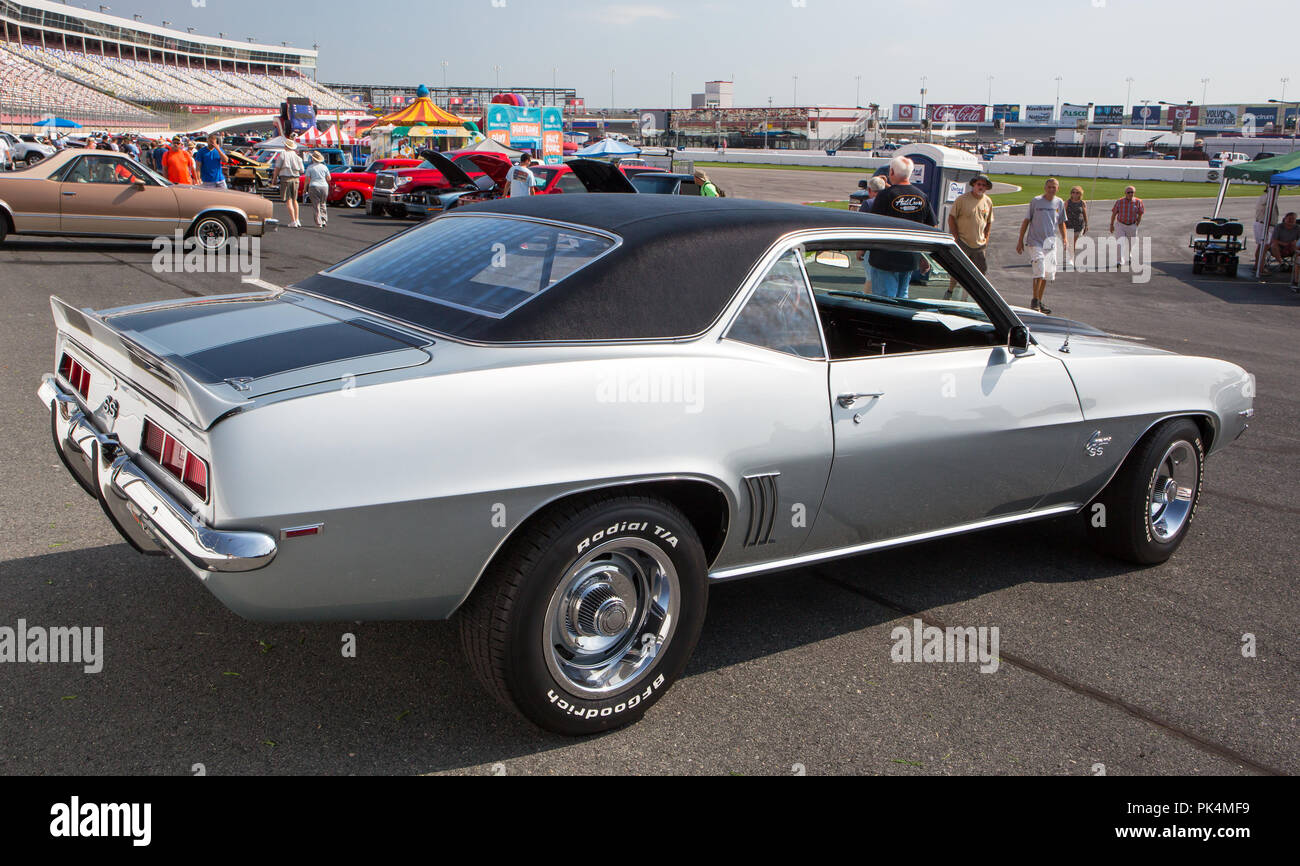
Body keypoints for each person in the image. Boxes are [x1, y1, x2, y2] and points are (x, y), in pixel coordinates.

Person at [866, 156, 937, 299]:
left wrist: (863, 249)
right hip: (910, 257)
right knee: (902, 299)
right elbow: (932, 227)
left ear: (891, 172)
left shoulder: (885, 195)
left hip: (885, 257)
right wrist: (923, 255)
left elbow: (873, 224)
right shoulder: (922, 196)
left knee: (884, 302)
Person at [1016, 177, 1067, 314]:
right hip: (1035, 241)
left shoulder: (1059, 202)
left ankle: (1039, 299)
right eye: (1049, 187)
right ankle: (1034, 300)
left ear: (1058, 189)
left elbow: (1061, 222)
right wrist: (1020, 240)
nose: (1051, 189)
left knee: (1047, 273)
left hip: (1050, 242)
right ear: (1045, 188)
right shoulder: (1036, 201)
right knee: (1039, 267)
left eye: (1054, 187)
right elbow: (1026, 220)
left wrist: (1065, 239)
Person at [947, 174, 995, 296]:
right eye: (979, 184)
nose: (981, 187)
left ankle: (969, 296)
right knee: (958, 270)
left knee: (980, 271)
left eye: (984, 185)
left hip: (979, 244)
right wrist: (956, 237)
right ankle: (950, 291)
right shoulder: (962, 199)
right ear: (973, 185)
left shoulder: (988, 201)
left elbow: (988, 222)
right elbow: (951, 218)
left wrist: (986, 238)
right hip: (963, 241)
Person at [271, 139, 306, 227]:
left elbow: (277, 167)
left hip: (285, 178)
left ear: (286, 146)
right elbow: (302, 170)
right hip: (296, 178)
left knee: (288, 200)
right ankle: (297, 219)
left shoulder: (283, 154)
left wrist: (274, 178)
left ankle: (293, 220)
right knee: (295, 200)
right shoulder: (298, 157)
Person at [1110, 185, 1144, 268]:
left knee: (1132, 243)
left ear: (1134, 193)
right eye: (1128, 192)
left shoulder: (1138, 201)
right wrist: (1111, 225)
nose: (1130, 194)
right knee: (1120, 243)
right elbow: (1114, 213)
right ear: (1125, 193)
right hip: (1120, 225)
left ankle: (1130, 256)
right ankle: (1119, 261)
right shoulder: (1119, 201)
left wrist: (1137, 224)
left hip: (1132, 225)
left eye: (1132, 192)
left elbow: (1140, 213)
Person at [304, 151, 332, 228]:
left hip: (314, 186)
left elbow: (307, 179)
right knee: (323, 203)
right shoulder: (324, 167)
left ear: (313, 159)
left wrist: (304, 188)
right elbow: (329, 178)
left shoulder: (310, 167)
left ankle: (318, 222)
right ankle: (324, 220)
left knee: (316, 205)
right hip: (324, 186)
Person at [1064, 186, 1088, 269]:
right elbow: (1063, 213)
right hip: (1068, 225)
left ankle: (1070, 259)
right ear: (1071, 193)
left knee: (1073, 243)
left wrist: (1086, 225)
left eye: (1077, 193)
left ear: (1080, 194)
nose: (1075, 194)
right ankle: (1070, 257)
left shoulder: (1082, 203)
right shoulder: (1067, 202)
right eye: (1073, 192)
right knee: (1069, 243)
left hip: (1078, 225)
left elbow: (1084, 214)